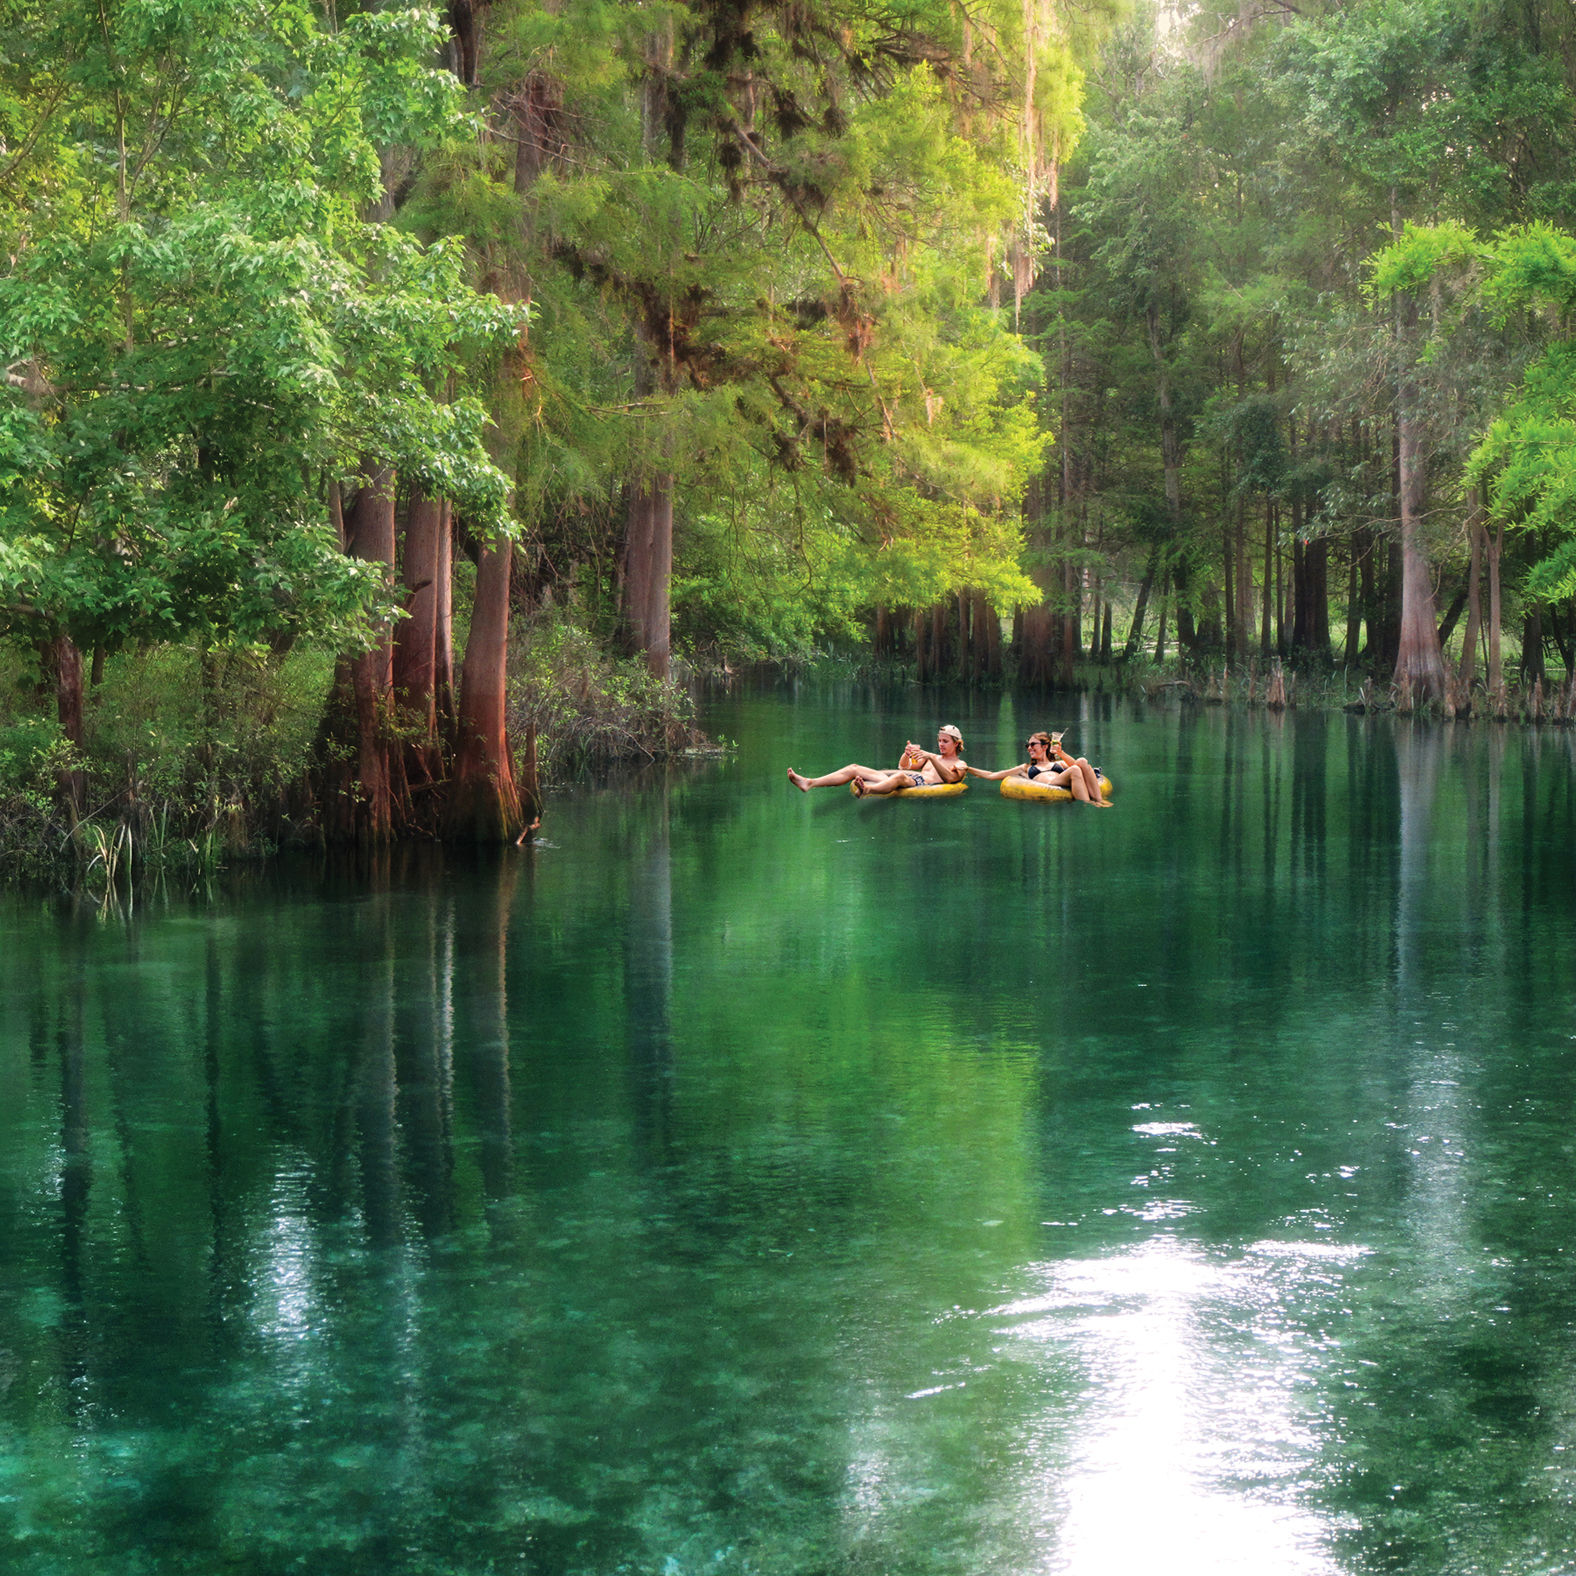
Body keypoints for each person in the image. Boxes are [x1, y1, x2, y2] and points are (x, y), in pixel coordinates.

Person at [787, 725, 969, 796]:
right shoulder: (931, 756)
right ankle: (809, 782)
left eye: (945, 741)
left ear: (956, 744)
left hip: (918, 784)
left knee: (899, 778)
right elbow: (903, 766)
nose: (940, 745)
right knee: (854, 768)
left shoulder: (959, 764)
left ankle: (867, 789)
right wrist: (906, 754)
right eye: (939, 740)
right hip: (907, 777)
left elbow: (951, 779)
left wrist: (930, 757)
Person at [967, 730, 1112, 806]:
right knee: (1075, 769)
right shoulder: (1026, 768)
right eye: (1028, 745)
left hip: (1063, 780)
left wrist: (1061, 753)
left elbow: (1079, 766)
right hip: (1049, 785)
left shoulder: (1058, 763)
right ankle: (1087, 804)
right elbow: (992, 775)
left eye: (1033, 745)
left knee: (1082, 760)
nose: (1029, 748)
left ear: (1044, 746)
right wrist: (968, 768)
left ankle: (1098, 800)